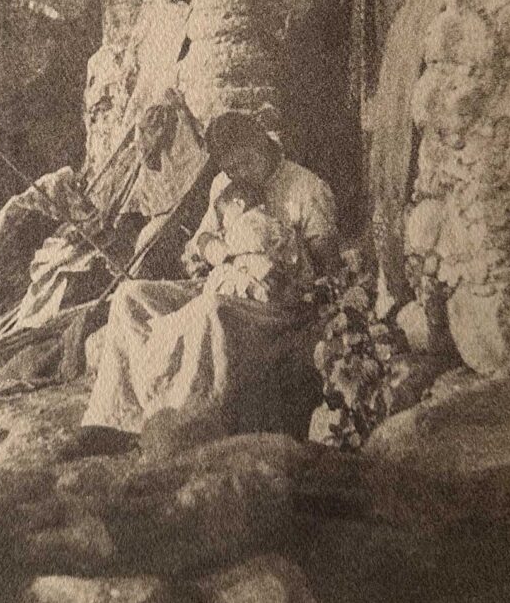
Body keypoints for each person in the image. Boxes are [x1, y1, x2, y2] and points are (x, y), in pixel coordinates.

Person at [62, 110, 339, 457]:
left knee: (212, 311)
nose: (239, 173)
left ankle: (181, 419)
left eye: (245, 162)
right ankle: (117, 419)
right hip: (223, 281)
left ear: (262, 144)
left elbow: (329, 270)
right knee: (131, 296)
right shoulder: (225, 185)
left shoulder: (306, 189)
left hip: (277, 303)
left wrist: (274, 275)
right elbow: (201, 239)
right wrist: (221, 253)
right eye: (230, 168)